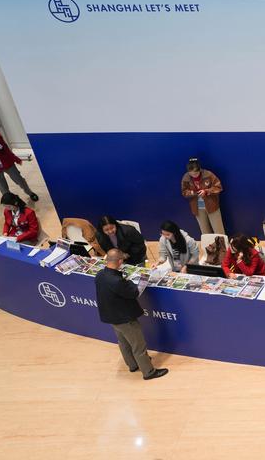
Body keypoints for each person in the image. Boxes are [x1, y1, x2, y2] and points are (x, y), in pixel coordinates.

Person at [93, 248, 168, 380]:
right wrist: (136, 281)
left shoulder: (100, 275)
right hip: (125, 318)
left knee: (124, 342)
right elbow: (134, 293)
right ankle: (148, 371)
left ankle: (132, 365)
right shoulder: (117, 281)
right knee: (139, 345)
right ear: (119, 261)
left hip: (111, 317)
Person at [0, 122, 37, 202]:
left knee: (19, 179)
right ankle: (11, 202)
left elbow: (6, 148)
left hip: (6, 162)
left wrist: (15, 158)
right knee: (3, 187)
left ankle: (30, 193)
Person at [180, 157, 224, 237]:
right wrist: (192, 192)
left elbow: (218, 187)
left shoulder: (208, 174)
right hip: (198, 208)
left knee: (218, 230)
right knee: (205, 232)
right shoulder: (186, 177)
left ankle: (222, 245)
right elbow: (184, 192)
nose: (194, 176)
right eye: (191, 174)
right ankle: (208, 245)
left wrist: (206, 191)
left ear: (199, 169)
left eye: (196, 173)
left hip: (212, 206)